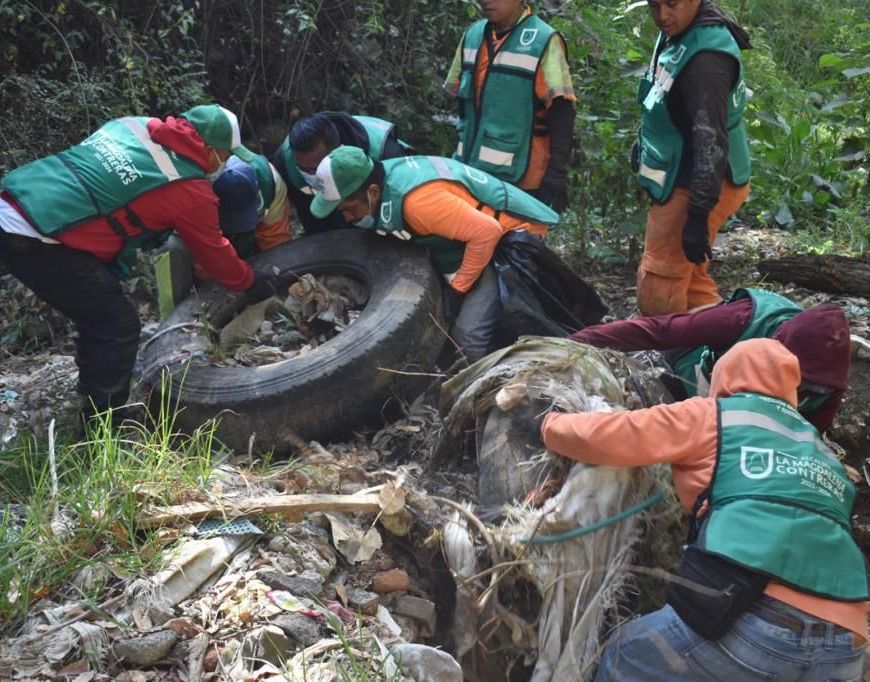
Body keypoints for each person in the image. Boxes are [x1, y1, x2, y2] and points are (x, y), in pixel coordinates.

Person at [542, 338, 868, 681]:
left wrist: (548, 425)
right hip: (847, 645)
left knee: (625, 654)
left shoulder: (715, 414)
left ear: (726, 374)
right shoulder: (819, 448)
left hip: (758, 624)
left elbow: (615, 435)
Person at [0, 104, 276, 425]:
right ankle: (103, 425)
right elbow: (213, 252)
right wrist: (248, 281)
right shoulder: (192, 191)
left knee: (100, 310)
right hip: (42, 232)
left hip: (14, 195)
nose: (227, 162)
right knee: (117, 324)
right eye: (226, 154)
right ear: (209, 148)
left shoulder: (134, 125)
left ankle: (92, 394)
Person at [309, 146, 559, 362]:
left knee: (467, 336)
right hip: (473, 232)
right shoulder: (380, 176)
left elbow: (487, 233)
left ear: (372, 192)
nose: (347, 217)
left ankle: (488, 393)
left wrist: (458, 290)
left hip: (511, 239)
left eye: (348, 209)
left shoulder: (417, 203)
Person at [570, 287, 851, 432]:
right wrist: (578, 341)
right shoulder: (740, 319)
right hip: (694, 367)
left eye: (803, 385)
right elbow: (658, 330)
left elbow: (810, 435)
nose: (794, 386)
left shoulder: (826, 385)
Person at [634, 0, 751, 316]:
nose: (662, 16)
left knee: (663, 276)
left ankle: (669, 353)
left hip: (701, 180)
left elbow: (709, 142)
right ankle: (711, 349)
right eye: (655, 6)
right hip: (681, 169)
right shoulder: (679, 31)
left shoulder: (706, 60)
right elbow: (659, 97)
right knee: (691, 279)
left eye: (672, 5)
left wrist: (697, 215)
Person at [443, 0, 576, 213]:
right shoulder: (472, 36)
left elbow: (562, 112)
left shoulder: (543, 40)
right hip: (469, 174)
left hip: (522, 182)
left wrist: (556, 174)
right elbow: (460, 104)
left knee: (514, 245)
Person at [154, 152, 292, 317]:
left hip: (246, 247)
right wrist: (223, 286)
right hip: (203, 248)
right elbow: (205, 255)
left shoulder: (271, 181)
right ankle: (170, 323)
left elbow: (276, 238)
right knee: (172, 247)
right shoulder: (193, 199)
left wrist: (282, 280)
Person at [270, 111, 409, 234]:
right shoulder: (284, 163)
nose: (313, 176)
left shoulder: (387, 154)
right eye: (306, 170)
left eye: (318, 168)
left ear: (338, 151)